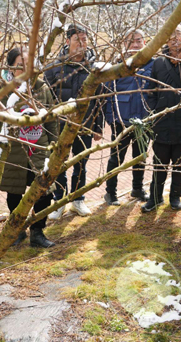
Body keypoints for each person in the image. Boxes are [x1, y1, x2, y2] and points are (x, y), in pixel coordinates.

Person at [0, 47, 58, 248]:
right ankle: (17, 230)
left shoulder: (42, 87)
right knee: (14, 193)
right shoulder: (2, 90)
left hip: (39, 150)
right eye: (20, 65)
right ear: (11, 67)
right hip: (13, 151)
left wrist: (55, 146)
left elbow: (51, 121)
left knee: (44, 192)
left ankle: (38, 232)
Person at [141, 24, 181, 213]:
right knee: (159, 162)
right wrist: (154, 112)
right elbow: (150, 92)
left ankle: (175, 197)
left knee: (180, 163)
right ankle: (154, 197)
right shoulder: (159, 63)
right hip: (162, 121)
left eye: (177, 35)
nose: (174, 39)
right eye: (169, 36)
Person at [44, 24, 102, 219]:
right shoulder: (53, 67)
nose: (82, 44)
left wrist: (98, 126)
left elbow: (100, 98)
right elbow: (46, 99)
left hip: (84, 125)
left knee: (81, 164)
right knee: (59, 164)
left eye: (85, 40)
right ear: (67, 41)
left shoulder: (94, 67)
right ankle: (59, 201)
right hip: (59, 126)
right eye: (78, 40)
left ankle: (78, 200)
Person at [102, 29, 153, 205]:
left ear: (145, 42)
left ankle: (137, 189)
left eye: (139, 41)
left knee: (140, 156)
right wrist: (111, 118)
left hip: (143, 120)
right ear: (124, 44)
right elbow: (108, 94)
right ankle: (110, 192)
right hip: (120, 120)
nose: (135, 45)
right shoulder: (117, 65)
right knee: (116, 158)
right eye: (131, 41)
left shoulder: (152, 64)